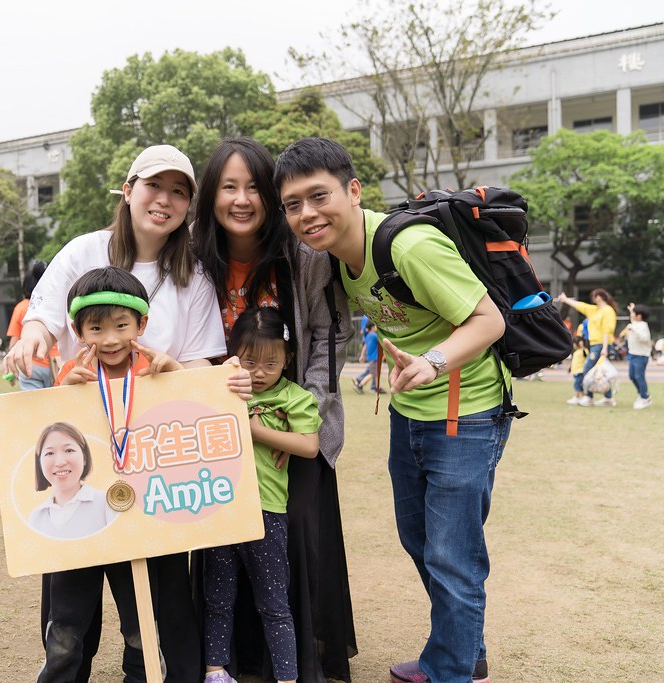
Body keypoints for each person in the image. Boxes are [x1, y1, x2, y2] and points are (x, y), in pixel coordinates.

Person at [275, 138, 510, 683]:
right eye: (293, 204)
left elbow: (489, 320)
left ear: (353, 191)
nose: (307, 214)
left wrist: (431, 362)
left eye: (319, 196)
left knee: (453, 553)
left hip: (465, 411)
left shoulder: (409, 246)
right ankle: (463, 650)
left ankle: (451, 670)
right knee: (418, 538)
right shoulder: (336, 258)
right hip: (412, 411)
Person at [4, 144, 236, 683]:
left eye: (180, 191)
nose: (166, 200)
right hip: (83, 444)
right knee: (72, 593)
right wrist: (31, 341)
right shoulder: (84, 251)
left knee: (158, 597)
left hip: (155, 453)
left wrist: (174, 372)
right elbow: (43, 316)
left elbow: (201, 358)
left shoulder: (192, 273)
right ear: (128, 190)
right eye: (155, 186)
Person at [191, 136, 355, 682]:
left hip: (293, 423)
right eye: (228, 187)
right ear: (211, 195)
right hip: (212, 431)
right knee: (218, 552)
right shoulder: (191, 259)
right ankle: (225, 661)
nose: (242, 199)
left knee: (297, 541)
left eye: (255, 187)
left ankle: (295, 661)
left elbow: (326, 336)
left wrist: (290, 419)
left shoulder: (305, 255)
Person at [38, 266, 186, 681]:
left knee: (141, 622)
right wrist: (65, 392)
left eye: (121, 325)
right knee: (65, 622)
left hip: (137, 521)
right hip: (78, 521)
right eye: (96, 328)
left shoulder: (157, 372)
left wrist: (177, 378)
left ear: (142, 323)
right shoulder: (72, 375)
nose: (109, 339)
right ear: (78, 331)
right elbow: (47, 435)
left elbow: (193, 419)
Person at [204, 307, 321, 683]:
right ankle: (215, 670)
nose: (258, 372)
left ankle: (287, 677)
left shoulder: (296, 398)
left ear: (287, 360)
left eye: (271, 363)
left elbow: (309, 446)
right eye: (250, 360)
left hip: (267, 514)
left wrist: (256, 429)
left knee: (273, 603)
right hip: (220, 510)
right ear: (231, 354)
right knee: (217, 599)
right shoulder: (216, 390)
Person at [29, 422, 118, 540]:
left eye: (69, 450)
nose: (60, 462)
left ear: (84, 457)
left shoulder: (107, 503)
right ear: (40, 463)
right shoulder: (36, 518)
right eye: (49, 453)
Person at [555, 290, 618, 407]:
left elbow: (607, 330)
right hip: (594, 344)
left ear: (600, 297)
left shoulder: (607, 311)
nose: (593, 299)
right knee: (597, 372)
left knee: (588, 369)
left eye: (595, 296)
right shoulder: (595, 310)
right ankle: (607, 397)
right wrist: (565, 299)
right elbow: (580, 306)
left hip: (601, 344)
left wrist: (604, 348)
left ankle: (589, 396)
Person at [6, 260, 59, 389]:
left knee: (33, 407)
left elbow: (14, 342)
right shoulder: (56, 304)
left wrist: (10, 368)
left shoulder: (21, 307)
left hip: (31, 365)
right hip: (57, 363)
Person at [621, 303, 652, 410]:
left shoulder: (643, 325)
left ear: (639, 316)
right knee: (632, 376)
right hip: (633, 354)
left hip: (641, 355)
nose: (631, 315)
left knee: (639, 376)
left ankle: (645, 397)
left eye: (633, 313)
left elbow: (645, 338)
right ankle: (641, 393)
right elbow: (633, 319)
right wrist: (631, 310)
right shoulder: (635, 322)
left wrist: (634, 330)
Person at [353, 320, 380, 394]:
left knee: (376, 373)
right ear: (372, 327)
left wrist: (362, 355)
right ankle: (359, 385)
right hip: (375, 358)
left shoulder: (367, 336)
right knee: (372, 374)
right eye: (375, 326)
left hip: (371, 357)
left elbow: (365, 346)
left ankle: (377, 388)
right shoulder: (375, 336)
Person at [566, 336, 590, 406]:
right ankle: (584, 397)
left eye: (574, 343)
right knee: (579, 385)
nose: (573, 345)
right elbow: (574, 361)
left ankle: (577, 397)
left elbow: (586, 357)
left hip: (581, 371)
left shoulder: (584, 350)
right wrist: (570, 368)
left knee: (577, 384)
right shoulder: (576, 352)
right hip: (575, 371)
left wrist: (582, 346)